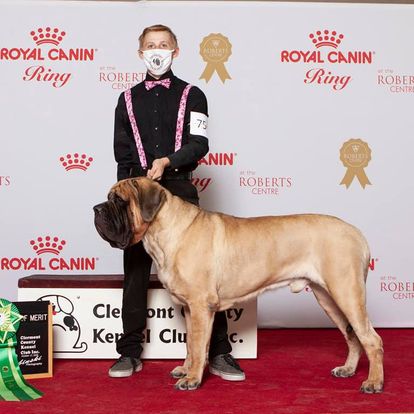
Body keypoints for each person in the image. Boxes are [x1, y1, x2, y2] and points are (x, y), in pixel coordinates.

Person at [109, 24, 245, 382]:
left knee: (204, 277)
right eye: (151, 45)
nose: (157, 51)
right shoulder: (126, 99)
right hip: (139, 196)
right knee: (135, 271)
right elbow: (122, 154)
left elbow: (199, 144)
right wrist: (129, 189)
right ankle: (129, 351)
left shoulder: (193, 95)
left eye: (164, 45)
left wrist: (168, 161)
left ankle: (220, 353)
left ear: (175, 51)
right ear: (140, 53)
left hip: (180, 193)